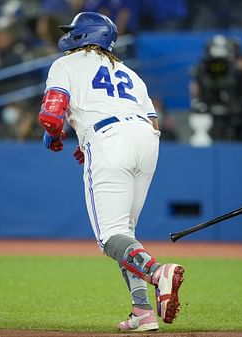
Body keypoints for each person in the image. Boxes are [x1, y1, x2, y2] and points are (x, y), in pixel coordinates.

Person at [37, 12, 185, 332]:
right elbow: (153, 123)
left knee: (110, 239)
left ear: (83, 35)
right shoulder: (132, 74)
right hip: (147, 141)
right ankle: (142, 312)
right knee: (126, 235)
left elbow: (51, 115)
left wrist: (55, 137)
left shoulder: (66, 64)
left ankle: (159, 273)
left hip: (107, 140)